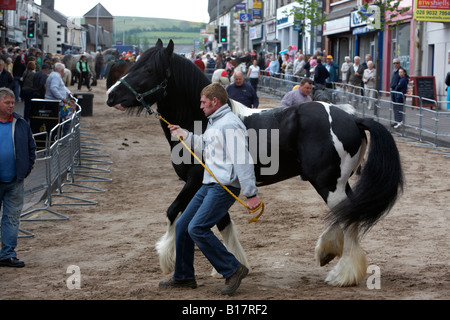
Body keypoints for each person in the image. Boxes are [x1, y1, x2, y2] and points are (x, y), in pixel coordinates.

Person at [159, 82, 260, 295]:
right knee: (182, 225)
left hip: (223, 187)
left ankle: (233, 269)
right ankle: (184, 276)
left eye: (204, 102)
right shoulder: (215, 122)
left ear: (215, 102)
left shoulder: (230, 124)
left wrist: (251, 194)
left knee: (197, 228)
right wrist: (184, 134)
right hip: (209, 185)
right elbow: (204, 145)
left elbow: (243, 161)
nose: (201, 106)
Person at [0, 87, 36, 268]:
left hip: (15, 181)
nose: (11, 106)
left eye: (13, 102)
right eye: (7, 102)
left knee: (12, 218)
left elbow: (31, 148)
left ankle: (7, 254)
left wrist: (26, 169)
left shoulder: (21, 123)